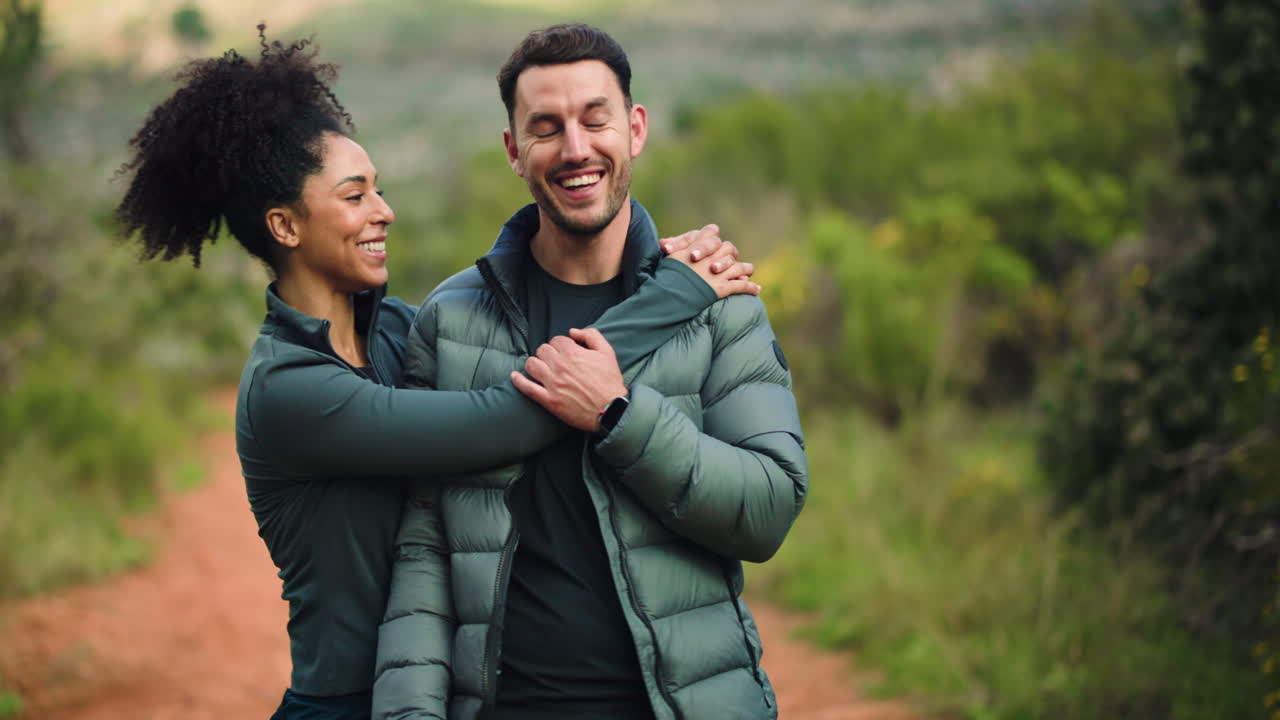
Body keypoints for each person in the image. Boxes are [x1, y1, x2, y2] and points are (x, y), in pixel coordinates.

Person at [114, 28, 761, 720]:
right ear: (286, 226)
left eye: (379, 190)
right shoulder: (291, 388)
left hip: (442, 685)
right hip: (350, 700)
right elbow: (512, 415)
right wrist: (673, 299)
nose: (383, 211)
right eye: (355, 196)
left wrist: (649, 261)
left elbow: (514, 340)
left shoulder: (395, 331)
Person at [374, 23, 808, 720]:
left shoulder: (717, 303)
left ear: (634, 129)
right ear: (515, 152)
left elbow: (766, 511)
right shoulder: (452, 322)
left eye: (594, 119)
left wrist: (620, 416)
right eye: (546, 127)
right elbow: (427, 547)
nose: (576, 149)